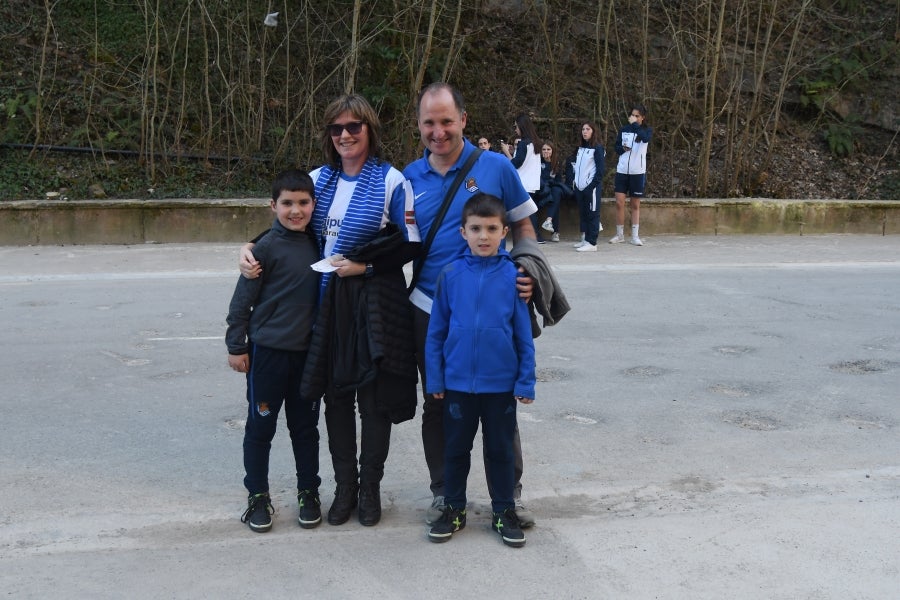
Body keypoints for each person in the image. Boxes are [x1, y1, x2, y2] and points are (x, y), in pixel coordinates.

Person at [239, 94, 421, 528]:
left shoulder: (392, 180)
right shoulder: (319, 180)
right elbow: (291, 222)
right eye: (336, 128)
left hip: (372, 305)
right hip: (327, 308)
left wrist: (367, 267)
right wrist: (250, 244)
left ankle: (370, 489)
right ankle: (344, 489)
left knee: (372, 403)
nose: (344, 135)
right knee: (336, 401)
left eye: (354, 127)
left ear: (370, 130)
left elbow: (411, 244)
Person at [402, 82, 539, 529]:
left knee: (501, 404)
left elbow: (524, 227)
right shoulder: (408, 178)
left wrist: (527, 271)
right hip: (429, 308)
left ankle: (509, 498)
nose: (438, 131)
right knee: (438, 401)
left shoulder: (496, 166)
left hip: (496, 303)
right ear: (418, 125)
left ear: (463, 119)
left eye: (446, 121)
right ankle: (445, 494)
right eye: (429, 122)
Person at [425, 193, 535, 548]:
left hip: (500, 386)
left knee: (500, 450)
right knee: (455, 450)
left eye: (491, 229)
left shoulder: (514, 277)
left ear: (504, 231)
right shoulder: (450, 275)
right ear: (463, 232)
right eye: (475, 229)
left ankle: (503, 510)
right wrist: (436, 377)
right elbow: (436, 332)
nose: (483, 236)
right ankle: (454, 509)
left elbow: (523, 335)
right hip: (457, 385)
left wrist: (526, 380)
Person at [226, 169, 322, 533]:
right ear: (273, 205)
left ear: (314, 204)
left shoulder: (319, 242)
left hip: (307, 357)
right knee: (261, 427)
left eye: (303, 202)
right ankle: (257, 496)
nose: (295, 210)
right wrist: (237, 345)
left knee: (305, 429)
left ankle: (308, 492)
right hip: (267, 356)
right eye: (287, 203)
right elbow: (241, 301)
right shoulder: (263, 249)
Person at [610, 104, 652, 246]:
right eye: (632, 115)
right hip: (622, 171)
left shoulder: (646, 130)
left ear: (642, 117)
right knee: (619, 202)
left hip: (637, 172)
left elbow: (645, 139)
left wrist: (635, 125)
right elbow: (616, 147)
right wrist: (622, 149)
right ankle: (619, 234)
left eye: (637, 116)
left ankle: (635, 236)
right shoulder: (624, 129)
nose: (633, 118)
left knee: (635, 204)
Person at [500, 114, 544, 242]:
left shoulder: (523, 144)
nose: (515, 129)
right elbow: (527, 160)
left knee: (524, 213)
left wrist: (506, 152)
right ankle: (535, 236)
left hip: (523, 183)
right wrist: (514, 151)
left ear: (522, 127)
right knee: (530, 212)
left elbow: (515, 164)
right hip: (533, 183)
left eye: (516, 126)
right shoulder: (536, 143)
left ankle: (533, 237)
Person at [571, 121, 606, 252]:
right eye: (583, 129)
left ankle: (592, 243)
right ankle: (585, 239)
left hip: (591, 188)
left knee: (593, 214)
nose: (584, 131)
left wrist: (590, 187)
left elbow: (600, 171)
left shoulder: (598, 148)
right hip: (580, 188)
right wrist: (576, 183)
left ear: (593, 131)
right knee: (584, 214)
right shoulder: (581, 148)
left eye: (588, 129)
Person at [535, 141, 569, 243]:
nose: (546, 151)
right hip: (541, 190)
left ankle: (549, 222)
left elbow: (558, 181)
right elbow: (540, 179)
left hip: (552, 189)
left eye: (548, 149)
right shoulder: (537, 161)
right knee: (555, 198)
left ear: (553, 151)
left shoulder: (556, 163)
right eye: (544, 149)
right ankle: (555, 231)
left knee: (556, 192)